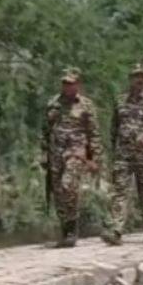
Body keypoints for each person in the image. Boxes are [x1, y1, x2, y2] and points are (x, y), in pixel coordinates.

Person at [104, 63, 143, 245]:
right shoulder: (120, 100)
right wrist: (112, 151)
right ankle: (116, 230)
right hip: (123, 154)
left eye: (142, 76)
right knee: (119, 192)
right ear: (130, 79)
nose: (139, 79)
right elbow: (114, 128)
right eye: (136, 76)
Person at [43, 68, 102, 248]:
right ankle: (66, 230)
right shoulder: (53, 103)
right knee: (58, 193)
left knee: (68, 185)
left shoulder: (86, 105)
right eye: (65, 83)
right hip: (56, 152)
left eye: (70, 83)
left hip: (76, 152)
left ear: (77, 84)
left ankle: (72, 227)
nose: (67, 86)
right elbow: (45, 130)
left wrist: (95, 159)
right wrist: (43, 154)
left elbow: (94, 134)